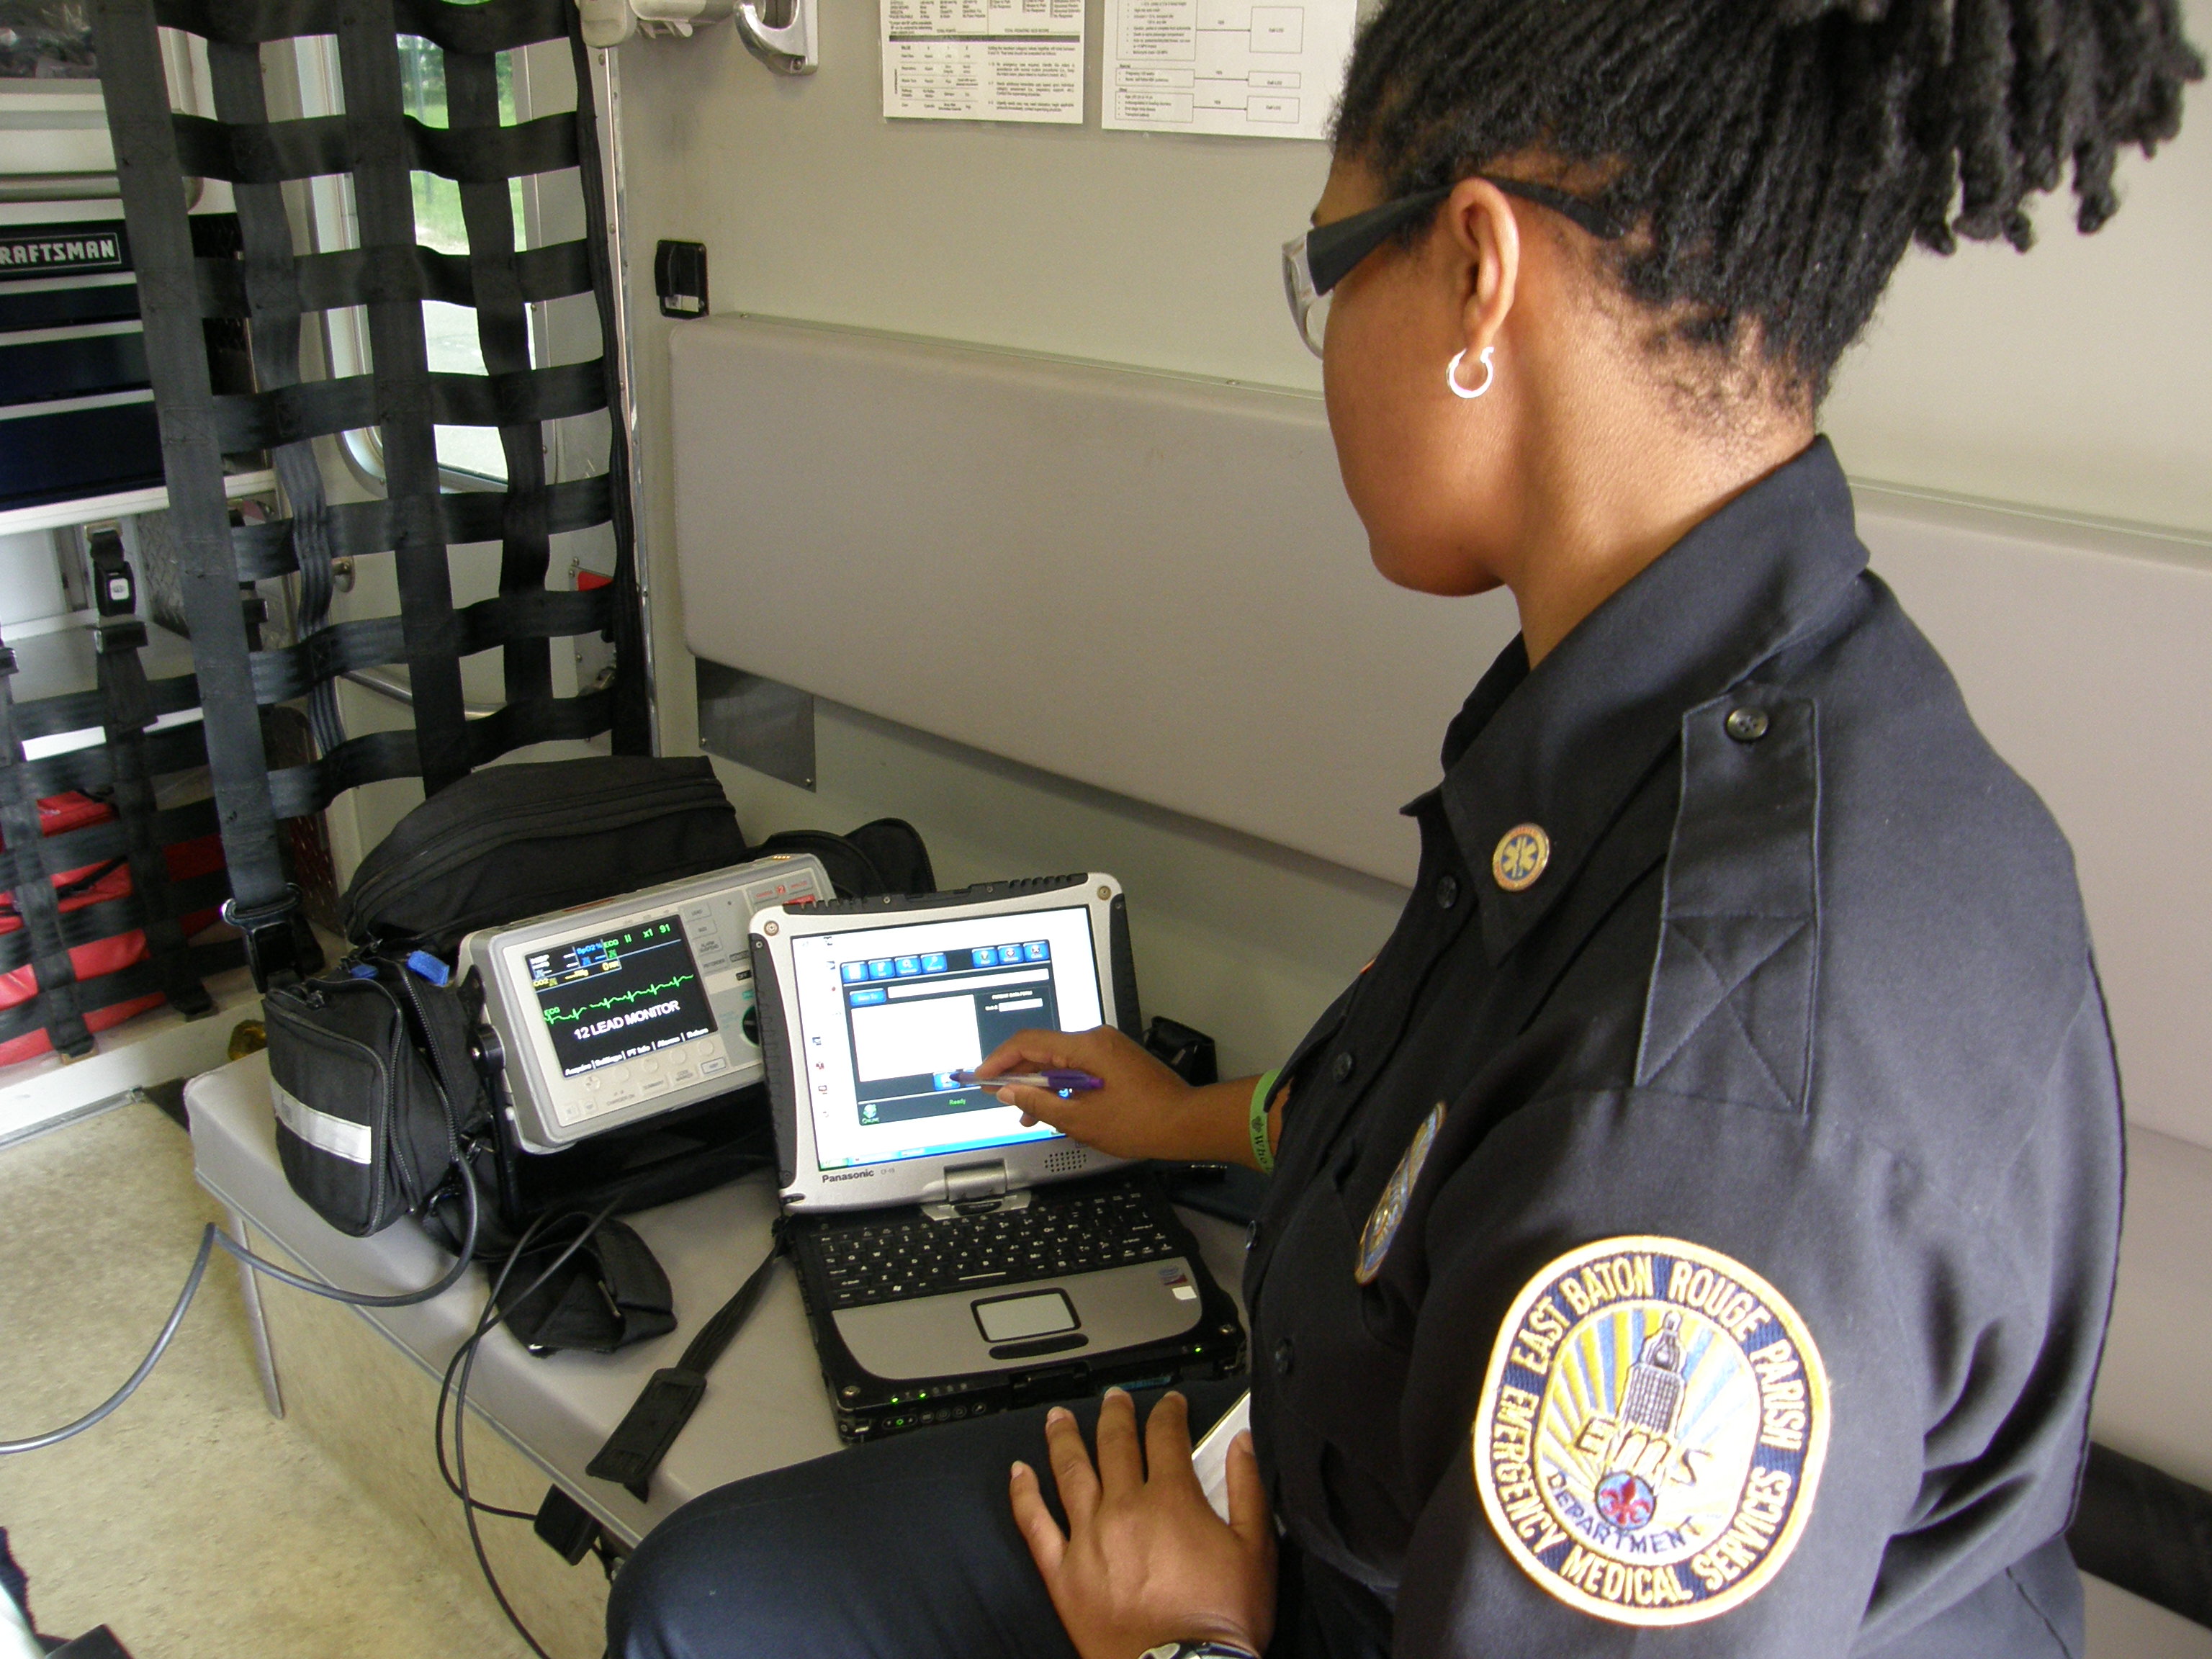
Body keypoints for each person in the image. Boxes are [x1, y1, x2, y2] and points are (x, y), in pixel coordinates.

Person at [608, 0, 2200, 1653]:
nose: (1326, 350)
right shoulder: (1728, 705)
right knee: (708, 1594)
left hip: (1357, 1598)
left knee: (702, 1624)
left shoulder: (1709, 1097)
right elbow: (1457, 1135)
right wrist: (1187, 1119)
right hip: (1346, 1496)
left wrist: (1206, 1626)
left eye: (1331, 270)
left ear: (1476, 272)